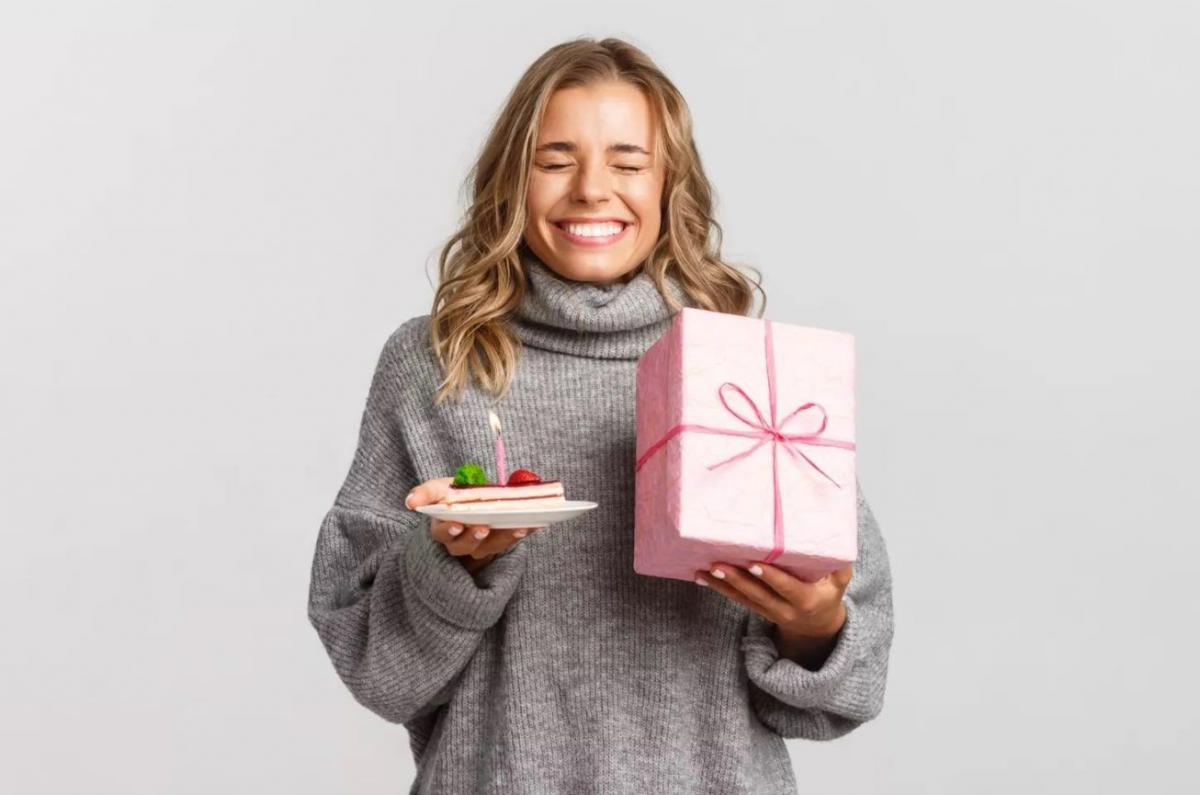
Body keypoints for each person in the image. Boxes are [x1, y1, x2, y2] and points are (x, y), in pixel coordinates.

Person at [306, 36, 895, 795]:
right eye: (555, 160)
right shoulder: (437, 362)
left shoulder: (743, 371)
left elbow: (857, 668)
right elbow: (375, 666)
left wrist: (813, 623)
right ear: (511, 183)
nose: (591, 189)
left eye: (627, 162)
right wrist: (454, 564)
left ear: (669, 186)